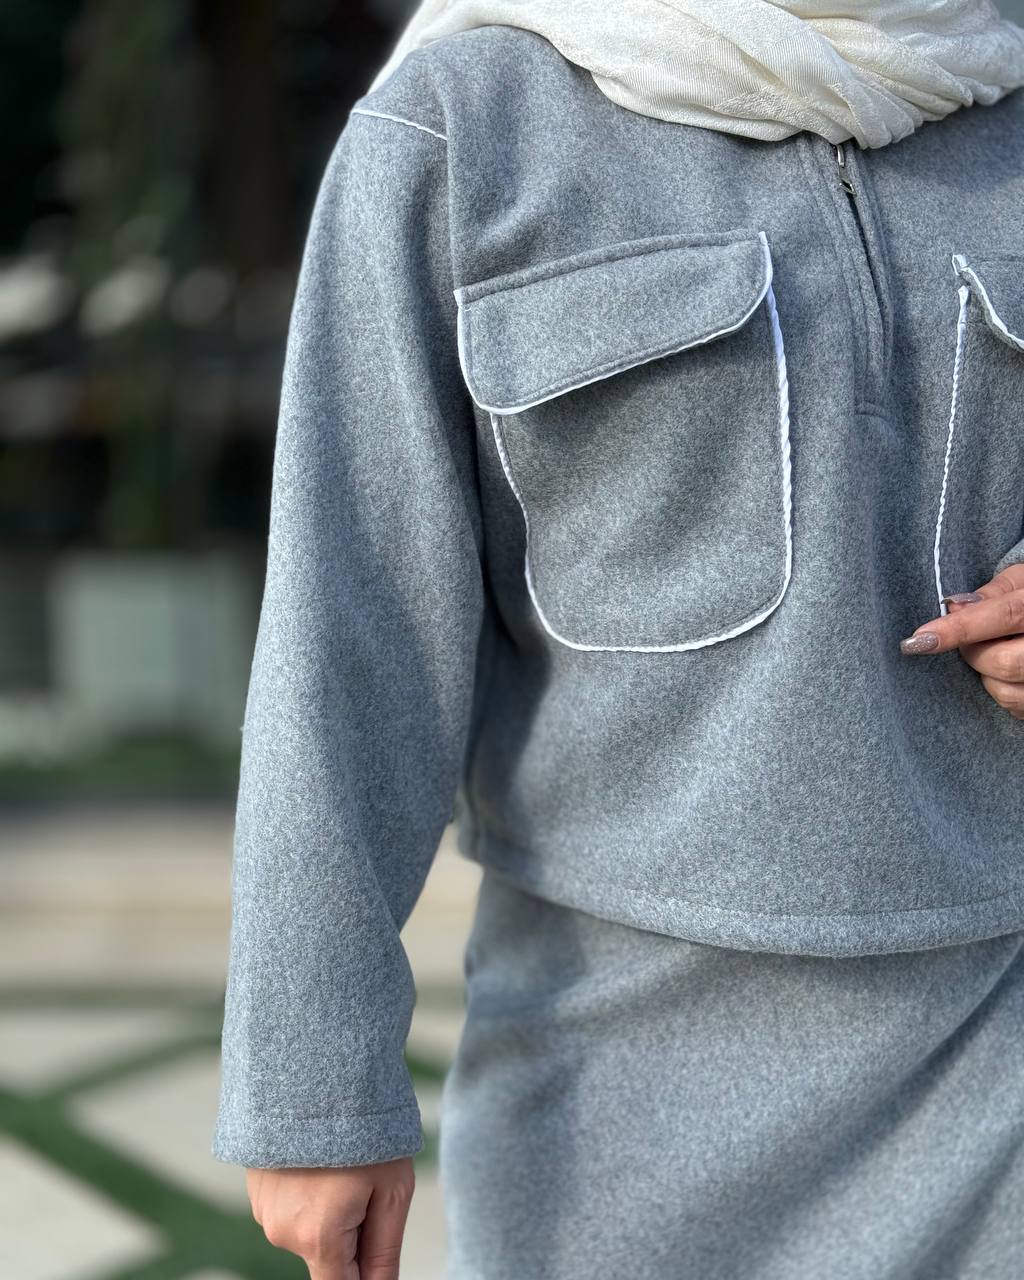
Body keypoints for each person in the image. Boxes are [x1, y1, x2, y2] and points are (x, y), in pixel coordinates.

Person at [211, 2, 1024, 1276]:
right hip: (604, 1077)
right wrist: (313, 1086)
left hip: (995, 1041)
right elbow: (350, 637)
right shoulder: (461, 126)